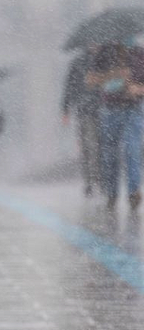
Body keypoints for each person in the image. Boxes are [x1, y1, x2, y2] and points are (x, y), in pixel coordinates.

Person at [88, 43, 144, 209]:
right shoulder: (104, 53)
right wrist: (114, 75)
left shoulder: (139, 54)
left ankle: (134, 191)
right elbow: (90, 80)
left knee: (131, 148)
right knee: (109, 153)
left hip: (133, 109)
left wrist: (138, 88)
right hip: (110, 110)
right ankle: (112, 192)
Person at [62, 46, 101, 196]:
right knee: (88, 146)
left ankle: (97, 179)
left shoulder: (105, 59)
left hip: (103, 109)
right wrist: (65, 109)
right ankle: (90, 181)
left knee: (98, 147)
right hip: (85, 110)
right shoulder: (78, 63)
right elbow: (69, 87)